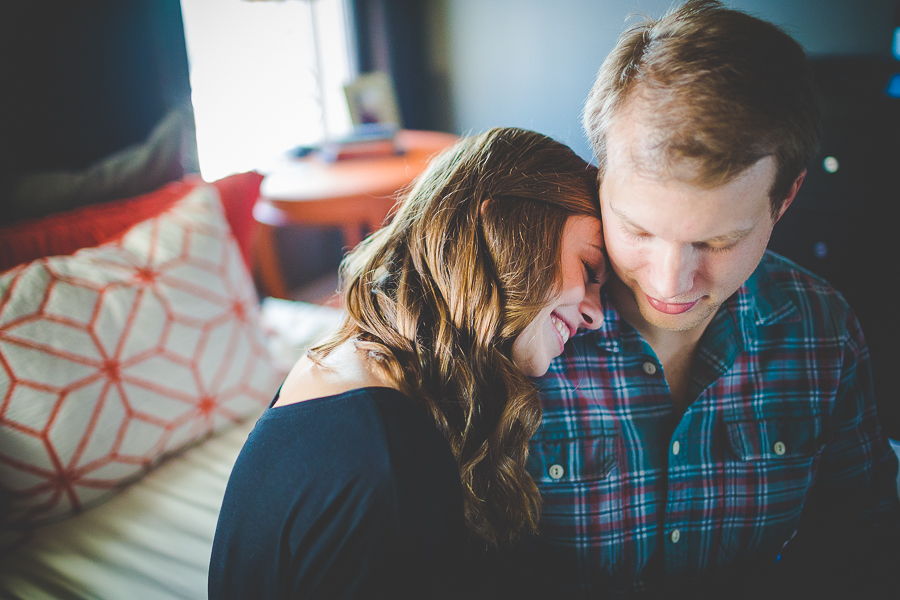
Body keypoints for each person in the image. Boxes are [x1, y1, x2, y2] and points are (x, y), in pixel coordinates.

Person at [524, 1, 900, 598]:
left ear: (786, 198)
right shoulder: (519, 324)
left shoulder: (824, 332)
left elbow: (860, 544)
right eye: (639, 230)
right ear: (600, 175)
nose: (671, 283)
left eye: (718, 241)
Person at [208, 127, 608, 599]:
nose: (596, 317)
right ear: (503, 230)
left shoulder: (363, 365)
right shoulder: (389, 458)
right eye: (589, 269)